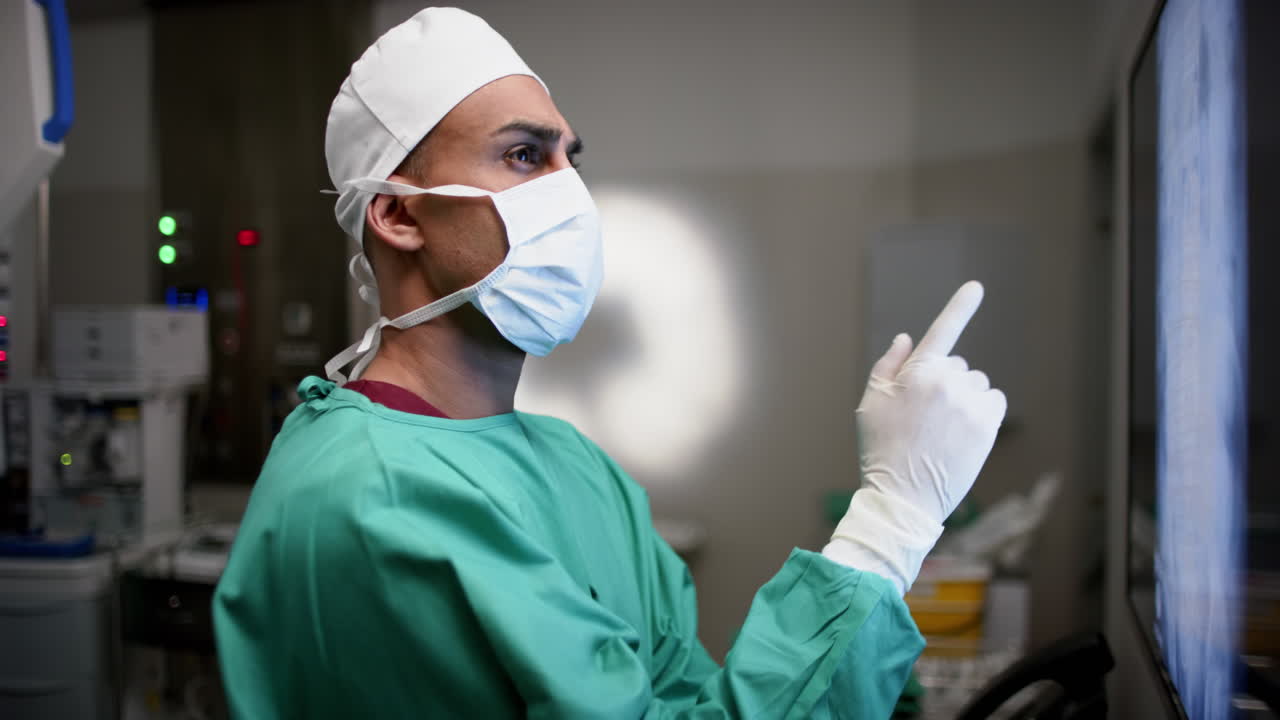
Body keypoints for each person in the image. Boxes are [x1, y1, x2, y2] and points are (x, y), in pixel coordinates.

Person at [212, 8, 1007, 719]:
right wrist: (887, 528)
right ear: (397, 214)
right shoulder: (374, 499)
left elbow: (689, 698)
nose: (572, 197)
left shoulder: (575, 466)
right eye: (524, 155)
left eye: (572, 159)